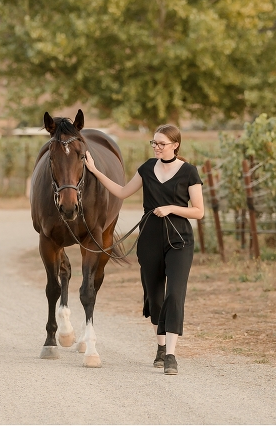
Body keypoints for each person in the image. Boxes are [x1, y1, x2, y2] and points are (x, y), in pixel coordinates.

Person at [84, 124, 204, 375]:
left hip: (179, 239)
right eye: (154, 143)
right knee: (155, 297)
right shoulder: (147, 168)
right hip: (149, 238)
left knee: (175, 294)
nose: (157, 147)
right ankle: (160, 347)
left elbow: (199, 211)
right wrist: (94, 170)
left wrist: (171, 208)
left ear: (175, 145)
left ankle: (171, 354)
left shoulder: (189, 172)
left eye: (162, 143)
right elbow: (121, 191)